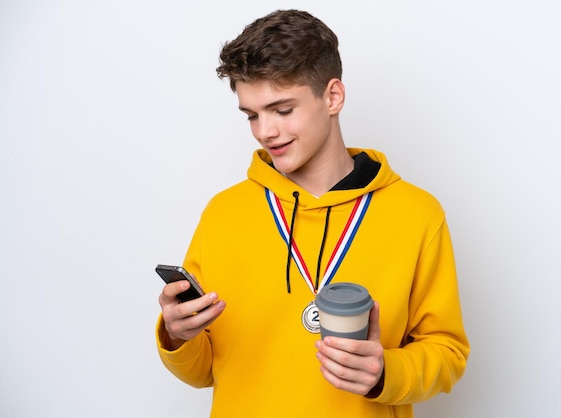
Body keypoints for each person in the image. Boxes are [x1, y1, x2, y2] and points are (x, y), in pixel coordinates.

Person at [156, 9, 470, 418]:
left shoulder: (416, 214)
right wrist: (179, 336)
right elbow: (204, 373)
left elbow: (448, 353)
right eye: (252, 114)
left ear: (333, 96)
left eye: (282, 110)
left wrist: (385, 372)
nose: (265, 131)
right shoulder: (224, 214)